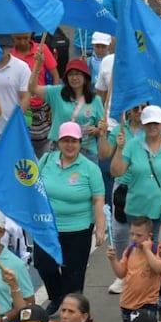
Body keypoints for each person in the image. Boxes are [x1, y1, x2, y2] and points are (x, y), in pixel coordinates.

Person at [34, 122, 106, 311]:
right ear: (58, 142)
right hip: (47, 226)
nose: (69, 145)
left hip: (79, 229)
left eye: (73, 141)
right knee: (43, 264)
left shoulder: (90, 169)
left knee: (73, 274)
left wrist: (100, 228)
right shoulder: (46, 160)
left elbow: (98, 200)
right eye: (65, 140)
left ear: (80, 143)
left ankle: (73, 311)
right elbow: (33, 187)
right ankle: (57, 297)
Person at [110, 104, 161, 226]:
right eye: (148, 123)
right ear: (143, 124)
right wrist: (119, 149)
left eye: (156, 123)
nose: (152, 127)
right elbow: (116, 172)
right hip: (136, 212)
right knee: (139, 245)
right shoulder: (132, 145)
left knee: (159, 245)